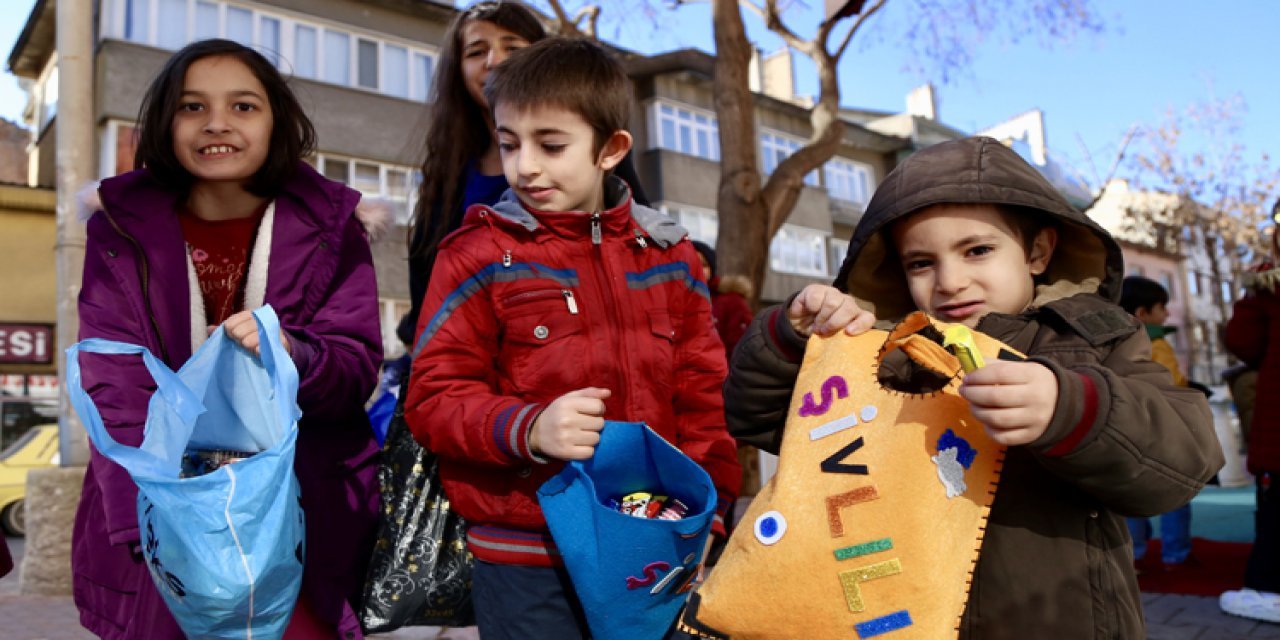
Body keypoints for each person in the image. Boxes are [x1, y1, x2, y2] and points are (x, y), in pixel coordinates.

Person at [723, 136, 1222, 638]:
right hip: (903, 619)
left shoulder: (1095, 338)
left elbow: (1183, 461)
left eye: (977, 251)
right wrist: (793, 342)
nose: (951, 281)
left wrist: (1070, 408)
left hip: (1060, 620)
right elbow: (763, 419)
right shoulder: (892, 357)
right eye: (921, 262)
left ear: (1037, 252)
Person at [404, 37, 740, 639]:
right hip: (525, 555)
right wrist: (528, 428)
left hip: (653, 546)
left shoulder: (672, 258)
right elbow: (433, 398)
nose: (525, 166)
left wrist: (707, 512)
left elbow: (703, 397)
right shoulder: (476, 254)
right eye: (510, 144)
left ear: (611, 149)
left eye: (551, 145)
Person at [73, 40, 385, 639]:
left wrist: (290, 353)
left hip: (298, 512)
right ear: (164, 122)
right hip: (164, 511)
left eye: (243, 106)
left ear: (278, 122)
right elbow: (111, 380)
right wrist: (149, 513)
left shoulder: (335, 226)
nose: (216, 123)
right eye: (192, 106)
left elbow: (353, 368)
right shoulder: (118, 227)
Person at [398, 0, 648, 353]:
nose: (493, 61)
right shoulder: (446, 169)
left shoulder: (595, 153)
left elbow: (639, 234)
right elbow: (426, 273)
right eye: (476, 51)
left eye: (512, 47)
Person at [1219, 217, 1280, 623]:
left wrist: (1253, 293)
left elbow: (1243, 342)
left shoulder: (1270, 289)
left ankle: (1267, 591)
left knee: (1276, 515)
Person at [1118, 275, 1196, 572]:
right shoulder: (1156, 342)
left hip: (1126, 427)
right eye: (1162, 307)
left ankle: (1134, 555)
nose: (1167, 313)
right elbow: (1171, 383)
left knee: (1130, 494)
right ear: (1142, 313)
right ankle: (1176, 554)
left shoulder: (1111, 340)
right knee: (1176, 491)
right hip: (1162, 428)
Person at [691, 240, 754, 357]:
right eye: (691, 265)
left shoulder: (732, 302)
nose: (698, 269)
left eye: (703, 265)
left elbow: (742, 349)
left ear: (711, 269)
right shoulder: (673, 302)